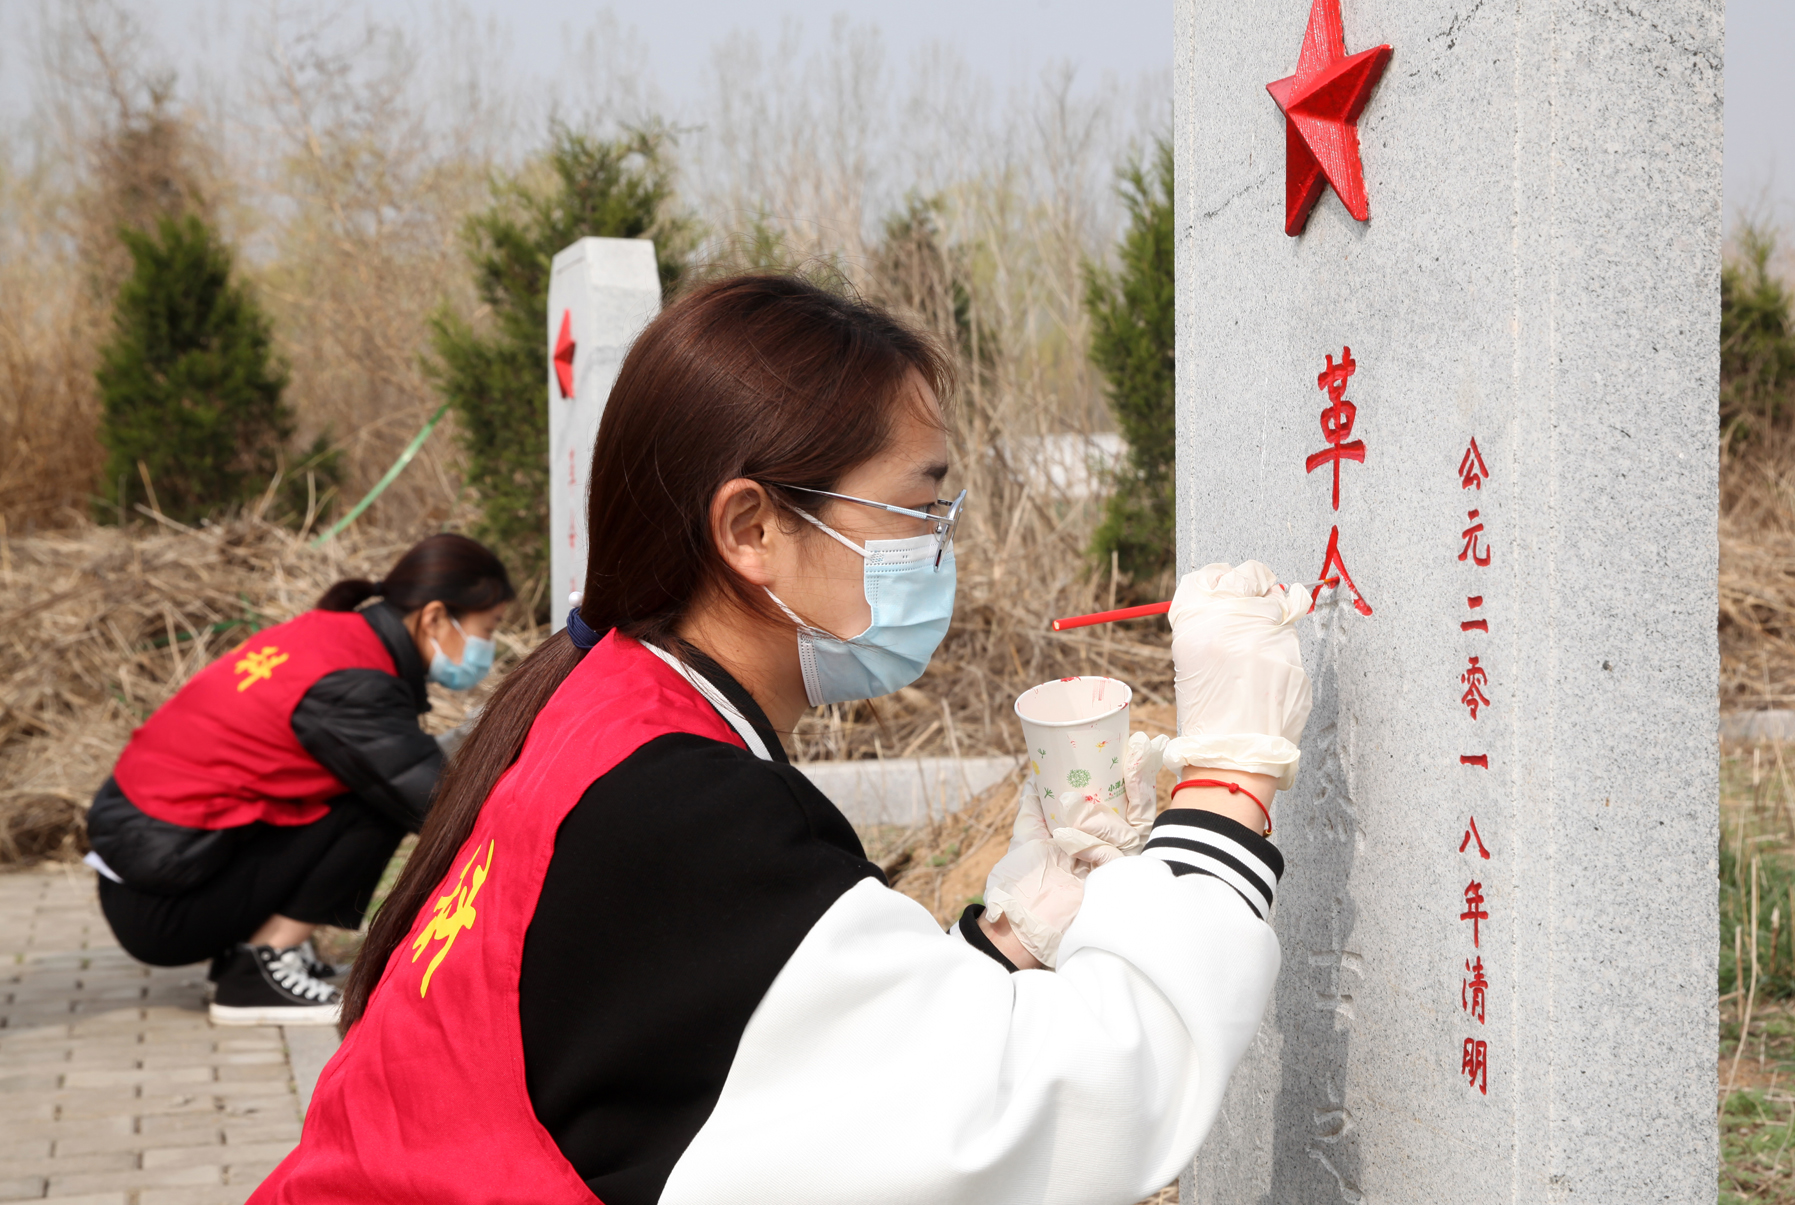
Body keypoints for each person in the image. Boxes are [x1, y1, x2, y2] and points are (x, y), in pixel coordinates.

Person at [252, 275, 1312, 1205]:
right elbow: (1079, 1103)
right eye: (919, 506)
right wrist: (1229, 777)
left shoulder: (599, 702)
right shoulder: (683, 810)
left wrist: (1015, 937)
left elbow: (749, 1066)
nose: (941, 551)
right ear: (751, 527)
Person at [84, 533, 514, 1027]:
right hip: (161, 906)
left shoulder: (332, 637)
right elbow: (440, 803)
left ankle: (262, 952)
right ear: (436, 616)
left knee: (367, 788)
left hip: (152, 871)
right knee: (376, 802)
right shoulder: (355, 683)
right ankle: (258, 971)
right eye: (490, 627)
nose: (488, 646)